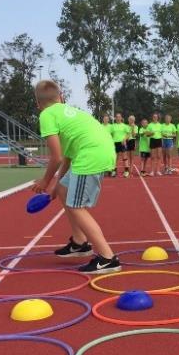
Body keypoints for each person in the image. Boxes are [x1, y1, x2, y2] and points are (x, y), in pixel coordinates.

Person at [32, 79, 121, 274]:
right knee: (64, 191)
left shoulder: (47, 115)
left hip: (91, 155)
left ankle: (108, 258)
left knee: (75, 206)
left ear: (38, 104)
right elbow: (67, 157)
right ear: (60, 97)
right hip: (98, 150)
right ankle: (80, 243)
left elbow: (55, 157)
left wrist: (45, 182)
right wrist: (56, 187)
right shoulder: (69, 113)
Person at [110, 113, 130, 178]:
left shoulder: (125, 126)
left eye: (119, 117)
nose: (118, 118)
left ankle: (126, 172)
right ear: (115, 118)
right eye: (117, 117)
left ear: (121, 118)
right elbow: (111, 134)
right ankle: (114, 171)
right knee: (115, 158)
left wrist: (124, 140)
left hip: (122, 143)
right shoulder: (112, 126)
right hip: (115, 143)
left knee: (124, 157)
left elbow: (128, 134)